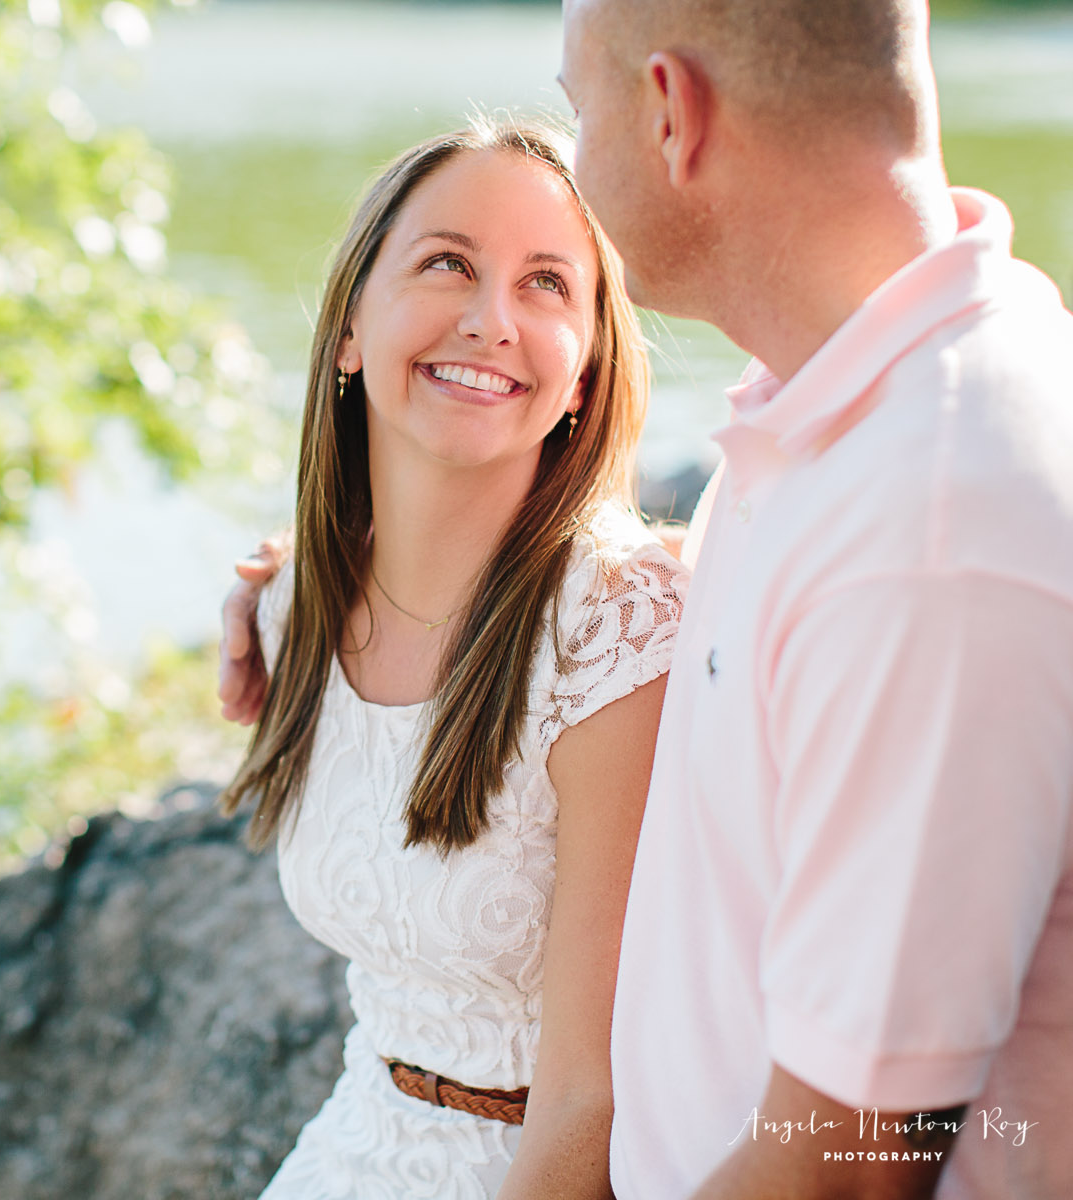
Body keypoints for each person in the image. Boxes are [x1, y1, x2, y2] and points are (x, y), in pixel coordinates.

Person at [225, 2, 1073, 1196]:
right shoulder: (811, 427)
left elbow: (849, 1165)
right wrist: (306, 577)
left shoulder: (929, 517)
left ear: (669, 110)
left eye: (579, 106)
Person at [222, 118, 686, 1199]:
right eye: (448, 263)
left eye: (545, 285)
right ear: (348, 328)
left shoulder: (613, 626)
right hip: (352, 1141)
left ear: (584, 374)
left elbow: (596, 1100)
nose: (490, 321)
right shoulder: (299, 603)